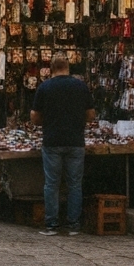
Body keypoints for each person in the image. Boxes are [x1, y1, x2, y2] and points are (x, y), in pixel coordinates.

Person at [31, 53, 96, 235]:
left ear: (51, 68)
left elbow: (34, 117)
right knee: (74, 184)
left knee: (52, 184)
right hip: (75, 141)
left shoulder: (45, 87)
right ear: (68, 67)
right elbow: (91, 115)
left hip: (52, 141)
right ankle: (73, 224)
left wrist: (47, 121)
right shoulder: (80, 86)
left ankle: (52, 224)